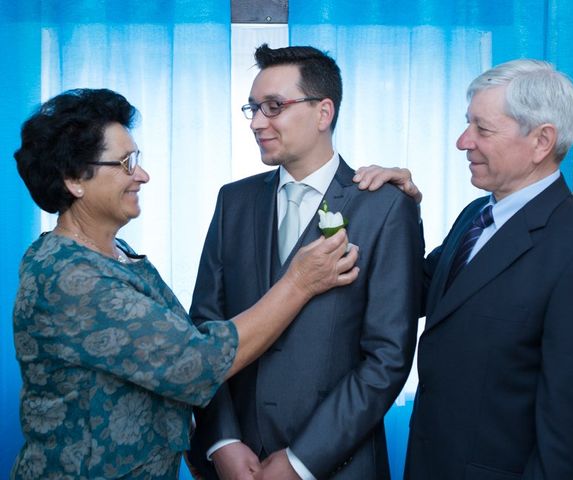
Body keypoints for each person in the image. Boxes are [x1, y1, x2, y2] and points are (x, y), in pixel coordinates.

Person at [11, 88, 359, 479]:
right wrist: (299, 282)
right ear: (74, 179)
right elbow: (196, 361)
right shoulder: (68, 277)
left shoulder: (116, 253)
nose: (141, 174)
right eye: (126, 163)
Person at [354, 59, 573, 479]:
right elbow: (416, 294)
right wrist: (398, 214)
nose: (462, 141)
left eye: (482, 129)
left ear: (542, 141)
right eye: (467, 124)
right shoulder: (475, 215)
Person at [187, 44, 423, 479]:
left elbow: (387, 358)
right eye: (252, 108)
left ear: (323, 112)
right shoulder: (233, 202)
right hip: (238, 462)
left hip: (336, 465)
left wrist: (301, 461)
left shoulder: (385, 208)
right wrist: (221, 440)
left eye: (274, 107)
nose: (258, 122)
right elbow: (205, 326)